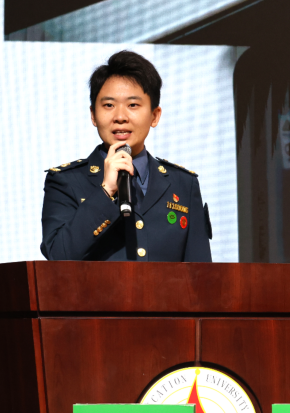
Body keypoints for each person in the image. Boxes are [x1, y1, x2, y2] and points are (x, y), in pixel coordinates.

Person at [40, 51, 213, 262]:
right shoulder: (65, 181)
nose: (120, 117)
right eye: (108, 105)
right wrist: (105, 192)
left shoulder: (184, 184)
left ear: (154, 115)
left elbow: (200, 273)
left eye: (133, 105)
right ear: (93, 115)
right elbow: (58, 255)